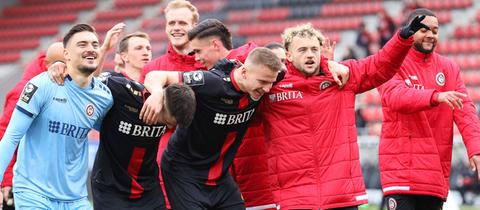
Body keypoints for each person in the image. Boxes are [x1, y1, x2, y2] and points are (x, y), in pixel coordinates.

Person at [257, 18, 425, 209]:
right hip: (295, 199)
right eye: (302, 50)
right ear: (288, 55)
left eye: (314, 49)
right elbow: (240, 67)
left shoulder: (341, 77)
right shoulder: (271, 88)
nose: (310, 55)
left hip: (341, 196)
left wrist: (401, 38)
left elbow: (379, 66)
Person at [140, 47, 283, 210]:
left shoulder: (264, 79)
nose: (267, 89)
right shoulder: (211, 82)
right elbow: (155, 76)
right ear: (244, 72)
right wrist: (157, 93)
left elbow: (285, 69)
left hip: (219, 176)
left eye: (271, 82)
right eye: (263, 82)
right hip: (184, 172)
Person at [0, 23, 113, 209]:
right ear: (66, 54)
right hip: (34, 194)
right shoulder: (41, 85)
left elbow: (114, 136)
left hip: (76, 199)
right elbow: (10, 138)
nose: (91, 48)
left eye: (94, 44)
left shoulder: (104, 97)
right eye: (82, 44)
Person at [377, 8, 480, 209]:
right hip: (401, 173)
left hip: (434, 175)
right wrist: (436, 96)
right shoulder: (391, 62)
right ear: (409, 30)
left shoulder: (449, 68)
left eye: (435, 30)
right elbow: (395, 97)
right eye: (423, 29)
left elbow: (465, 109)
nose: (430, 35)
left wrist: (475, 148)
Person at [0, 42, 64, 210]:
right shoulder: (26, 90)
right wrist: (6, 180)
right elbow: (6, 135)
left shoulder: (62, 88)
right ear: (49, 65)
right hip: (21, 183)